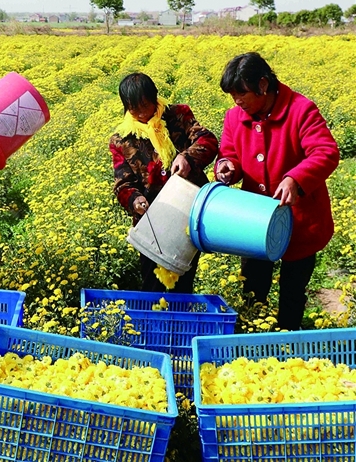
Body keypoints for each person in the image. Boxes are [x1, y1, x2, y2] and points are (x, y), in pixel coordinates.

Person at [215, 52, 339, 330]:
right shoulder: (235, 117)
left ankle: (286, 345)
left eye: (242, 93)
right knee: (253, 288)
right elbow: (230, 154)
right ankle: (248, 342)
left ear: (262, 84)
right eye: (233, 95)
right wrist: (227, 167)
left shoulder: (300, 109)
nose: (237, 101)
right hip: (254, 222)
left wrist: (296, 179)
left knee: (293, 290)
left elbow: (326, 152)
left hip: (301, 220)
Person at [109, 72, 218, 293]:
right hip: (151, 220)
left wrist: (187, 157)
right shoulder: (122, 139)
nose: (141, 113)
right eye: (133, 108)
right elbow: (123, 183)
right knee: (151, 285)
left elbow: (208, 140)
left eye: (145, 105)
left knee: (183, 280)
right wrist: (135, 199)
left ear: (155, 98)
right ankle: (153, 325)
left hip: (186, 211)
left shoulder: (178, 115)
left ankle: (179, 325)